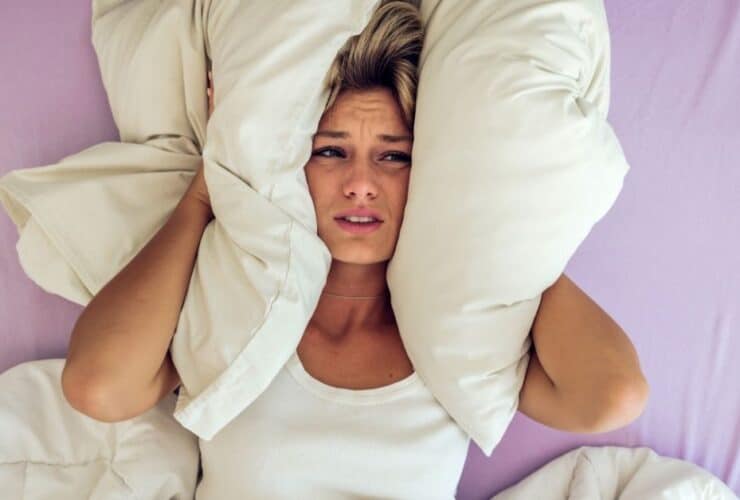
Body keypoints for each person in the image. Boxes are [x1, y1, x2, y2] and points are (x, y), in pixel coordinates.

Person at [62, 0, 648, 496]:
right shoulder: (232, 306)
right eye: (331, 151)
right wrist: (212, 181)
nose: (361, 184)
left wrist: (504, 231)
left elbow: (612, 394)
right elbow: (98, 385)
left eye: (393, 156)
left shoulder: (461, 344)